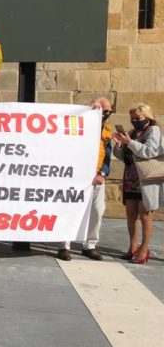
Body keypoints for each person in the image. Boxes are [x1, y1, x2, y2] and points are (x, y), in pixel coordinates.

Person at [57, 98, 112, 261]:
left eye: (109, 111)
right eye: (102, 110)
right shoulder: (79, 122)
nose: (106, 114)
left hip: (96, 176)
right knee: (68, 209)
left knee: (97, 210)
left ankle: (90, 244)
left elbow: (108, 154)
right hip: (75, 176)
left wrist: (102, 173)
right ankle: (64, 246)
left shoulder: (107, 130)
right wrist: (86, 110)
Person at [112, 103, 164, 264]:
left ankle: (144, 249)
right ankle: (133, 246)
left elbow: (150, 151)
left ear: (147, 117)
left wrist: (130, 142)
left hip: (146, 179)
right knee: (131, 214)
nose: (134, 120)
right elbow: (123, 156)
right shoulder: (132, 133)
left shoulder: (153, 130)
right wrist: (119, 144)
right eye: (132, 118)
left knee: (145, 215)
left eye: (138, 117)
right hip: (130, 178)